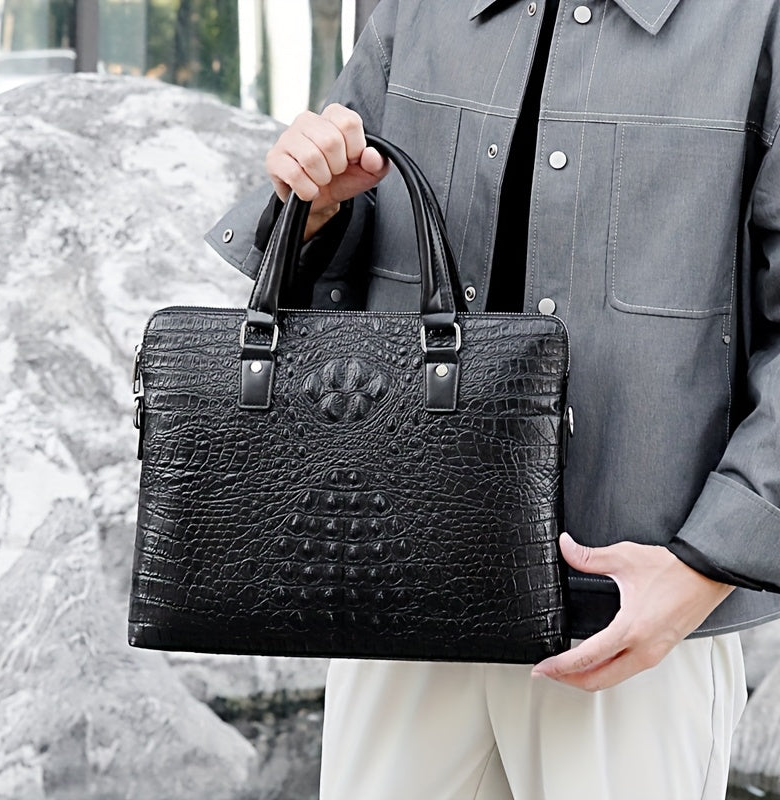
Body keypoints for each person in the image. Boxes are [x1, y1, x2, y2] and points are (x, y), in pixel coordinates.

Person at [206, 1, 780, 797]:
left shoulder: (755, 20)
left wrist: (705, 567)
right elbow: (333, 246)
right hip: (397, 591)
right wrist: (316, 208)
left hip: (630, 622)